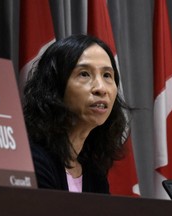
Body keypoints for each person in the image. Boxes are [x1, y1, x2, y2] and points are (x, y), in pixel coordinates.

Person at [22, 34, 131, 194]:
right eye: (84, 74)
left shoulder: (94, 173)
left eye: (107, 75)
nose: (101, 88)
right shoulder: (32, 160)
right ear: (55, 86)